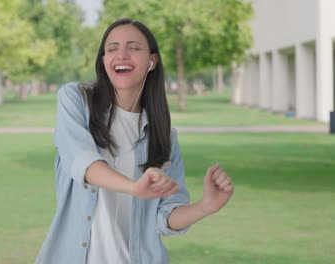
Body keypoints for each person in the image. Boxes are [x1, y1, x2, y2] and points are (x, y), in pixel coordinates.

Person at [35, 18, 234, 264]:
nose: (122, 55)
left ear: (152, 61)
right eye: (112, 49)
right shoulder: (75, 100)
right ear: (104, 61)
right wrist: (133, 187)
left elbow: (166, 216)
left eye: (133, 47)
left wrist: (206, 206)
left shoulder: (165, 137)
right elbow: (82, 161)